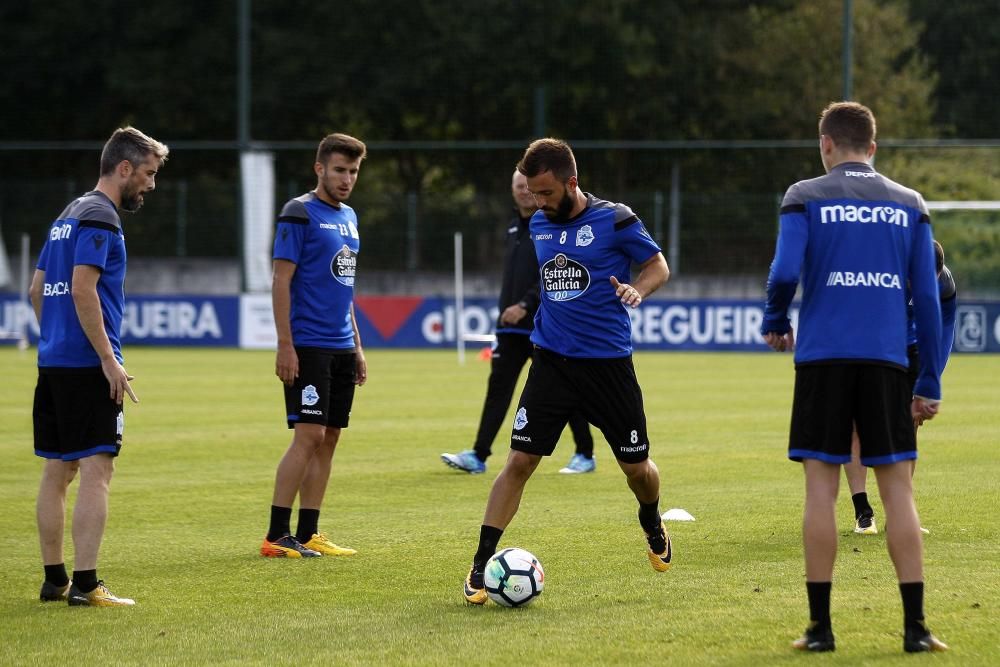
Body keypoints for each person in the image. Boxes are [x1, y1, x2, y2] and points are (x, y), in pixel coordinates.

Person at [762, 101, 948, 653]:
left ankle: (821, 630)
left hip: (823, 359)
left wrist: (775, 319)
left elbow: (785, 272)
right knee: (898, 493)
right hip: (889, 360)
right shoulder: (910, 204)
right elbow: (929, 300)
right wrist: (930, 378)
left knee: (821, 490)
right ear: (873, 146)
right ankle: (916, 629)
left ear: (825, 145)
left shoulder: (805, 195)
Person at [462, 138, 672, 605]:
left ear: (571, 182)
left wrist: (637, 290)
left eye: (545, 193)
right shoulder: (538, 223)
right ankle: (480, 565)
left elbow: (658, 265)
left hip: (608, 368)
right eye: (532, 193)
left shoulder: (616, 218)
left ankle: (651, 519)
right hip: (551, 363)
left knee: (636, 469)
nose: (537, 202)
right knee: (519, 461)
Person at [30, 127, 168, 606]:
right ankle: (86, 586)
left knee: (57, 470)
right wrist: (108, 360)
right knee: (97, 469)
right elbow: (83, 290)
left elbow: (37, 291)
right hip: (90, 364)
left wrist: (56, 340)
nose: (151, 185)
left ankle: (55, 580)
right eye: (148, 174)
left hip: (54, 362)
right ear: (124, 168)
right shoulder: (102, 216)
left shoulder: (66, 215)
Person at [441, 170, 596, 475]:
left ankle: (585, 454)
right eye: (517, 186)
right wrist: (506, 308)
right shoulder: (513, 226)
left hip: (543, 325)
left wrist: (525, 304)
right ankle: (479, 455)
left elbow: (554, 276)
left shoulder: (552, 225)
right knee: (498, 388)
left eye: (527, 186)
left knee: (563, 389)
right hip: (509, 328)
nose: (523, 191)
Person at [259, 133, 368, 558]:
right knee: (308, 435)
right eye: (339, 170)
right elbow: (280, 280)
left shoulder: (350, 216)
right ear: (319, 168)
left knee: (330, 437)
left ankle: (308, 533)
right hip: (308, 344)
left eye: (353, 171)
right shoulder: (299, 213)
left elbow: (346, 286)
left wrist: (357, 345)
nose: (346, 179)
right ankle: (274, 534)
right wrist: (285, 345)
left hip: (341, 345)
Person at [846, 239, 957, 535]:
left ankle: (900, 514)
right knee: (859, 427)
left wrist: (931, 379)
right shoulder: (878, 277)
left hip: (912, 350)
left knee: (908, 427)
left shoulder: (943, 283)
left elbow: (945, 328)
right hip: (867, 347)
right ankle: (863, 512)